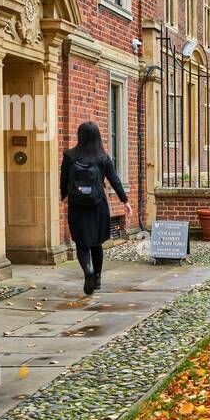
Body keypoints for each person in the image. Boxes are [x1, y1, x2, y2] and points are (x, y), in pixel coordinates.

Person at [60, 122, 130, 296]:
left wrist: (64, 197)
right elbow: (114, 180)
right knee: (96, 242)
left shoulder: (70, 155)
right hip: (98, 205)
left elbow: (63, 180)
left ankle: (87, 272)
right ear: (98, 136)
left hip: (77, 206)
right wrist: (125, 200)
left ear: (80, 135)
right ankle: (97, 278)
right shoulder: (103, 157)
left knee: (81, 243)